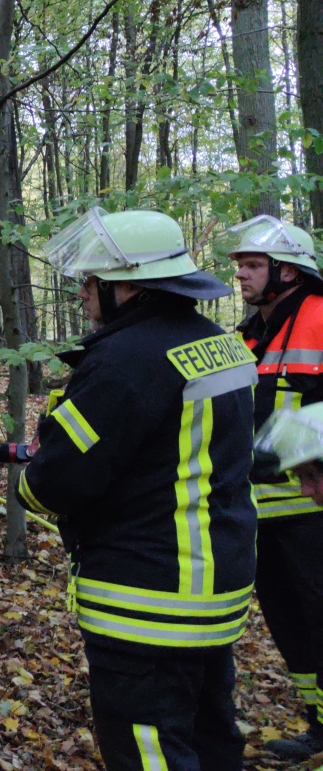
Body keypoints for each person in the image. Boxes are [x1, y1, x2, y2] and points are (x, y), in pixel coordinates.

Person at [18, 207, 257, 771]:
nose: (82, 294)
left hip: (148, 597)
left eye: (90, 281)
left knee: (149, 749)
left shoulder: (126, 360)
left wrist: (34, 478)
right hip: (214, 584)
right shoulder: (218, 342)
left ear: (128, 285)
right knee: (208, 734)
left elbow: (54, 485)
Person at [226, 215, 323, 761]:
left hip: (314, 510)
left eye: (253, 264)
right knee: (291, 626)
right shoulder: (246, 337)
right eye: (240, 263)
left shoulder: (321, 319)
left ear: (288, 272)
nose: (241, 273)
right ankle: (319, 724)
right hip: (262, 514)